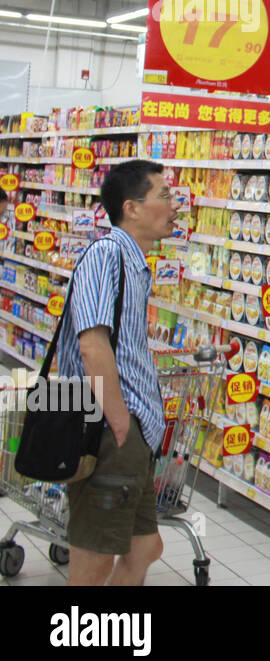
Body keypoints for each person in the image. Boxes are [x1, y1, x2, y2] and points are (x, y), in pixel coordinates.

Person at [56, 160, 177, 586]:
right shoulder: (105, 255)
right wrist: (120, 420)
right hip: (109, 430)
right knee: (93, 559)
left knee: (146, 546)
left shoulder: (135, 263)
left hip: (133, 432)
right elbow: (91, 344)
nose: (174, 204)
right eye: (164, 195)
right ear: (132, 208)